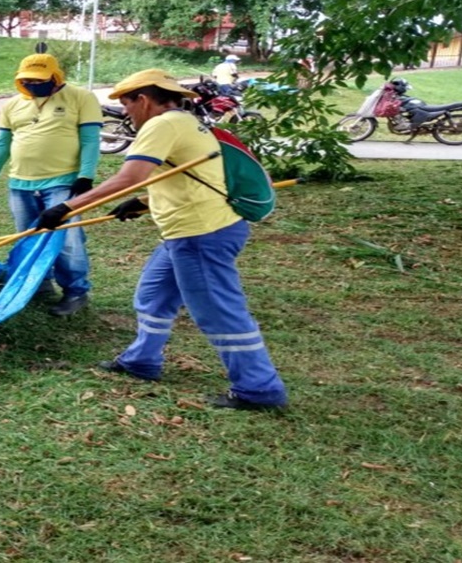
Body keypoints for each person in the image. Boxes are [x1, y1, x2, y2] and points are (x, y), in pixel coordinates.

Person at [36, 69, 288, 411]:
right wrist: (142, 203)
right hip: (187, 232)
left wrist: (67, 207)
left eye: (127, 105)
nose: (126, 113)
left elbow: (129, 177)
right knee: (153, 296)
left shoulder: (162, 124)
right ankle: (142, 361)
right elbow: (189, 176)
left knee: (219, 311)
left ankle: (259, 389)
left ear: (142, 99)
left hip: (201, 233)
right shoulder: (185, 122)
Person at [0, 53, 103, 317]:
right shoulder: (13, 105)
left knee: (68, 240)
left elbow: (90, 140)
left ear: (55, 76)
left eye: (39, 80)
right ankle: (40, 285)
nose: (32, 84)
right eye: (27, 80)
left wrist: (85, 176)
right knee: (29, 236)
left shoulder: (81, 97)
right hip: (20, 184)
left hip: (62, 182)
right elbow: (2, 144)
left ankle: (76, 292)